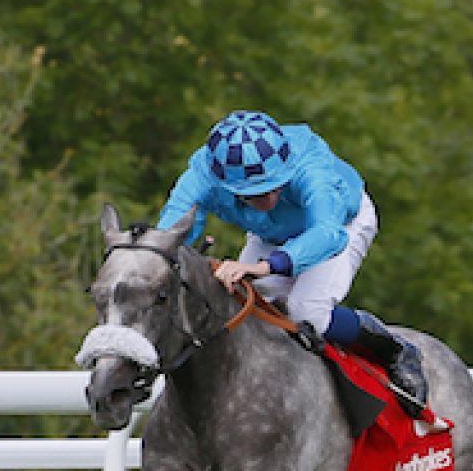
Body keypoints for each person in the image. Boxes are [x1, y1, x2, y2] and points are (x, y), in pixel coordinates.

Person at [156, 109, 429, 413]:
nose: (269, 197)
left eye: (276, 185)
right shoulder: (202, 176)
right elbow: (169, 235)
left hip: (340, 225)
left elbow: (327, 233)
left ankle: (396, 350)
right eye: (256, 193)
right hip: (271, 233)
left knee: (306, 313)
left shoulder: (311, 166)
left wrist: (261, 267)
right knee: (242, 310)